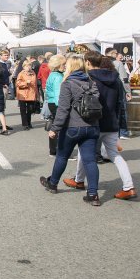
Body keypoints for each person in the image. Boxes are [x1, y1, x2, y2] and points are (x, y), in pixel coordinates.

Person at [64, 54, 135, 200]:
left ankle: (79, 180)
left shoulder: (87, 78)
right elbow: (120, 104)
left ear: (88, 62)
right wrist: (121, 125)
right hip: (112, 123)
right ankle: (129, 187)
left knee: (85, 153)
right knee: (115, 155)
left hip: (94, 122)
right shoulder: (115, 79)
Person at [40, 55, 101, 206]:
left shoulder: (67, 83)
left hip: (72, 126)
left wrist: (55, 128)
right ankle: (93, 194)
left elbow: (63, 109)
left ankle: (53, 183)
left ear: (70, 67)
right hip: (91, 126)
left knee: (62, 156)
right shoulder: (91, 82)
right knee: (90, 160)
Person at [44, 55, 66, 156]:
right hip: (57, 104)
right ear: (58, 65)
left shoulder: (53, 74)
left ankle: (53, 150)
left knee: (55, 126)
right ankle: (59, 150)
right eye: (63, 64)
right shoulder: (57, 76)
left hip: (52, 103)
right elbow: (58, 94)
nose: (65, 66)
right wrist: (62, 107)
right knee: (60, 127)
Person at [16, 60, 39, 130]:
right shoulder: (21, 74)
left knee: (30, 109)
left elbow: (35, 85)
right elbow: (18, 83)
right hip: (23, 94)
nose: (28, 67)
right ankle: (25, 124)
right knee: (23, 110)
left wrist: (36, 94)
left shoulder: (33, 73)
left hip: (31, 93)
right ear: (23, 67)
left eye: (29, 65)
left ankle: (29, 122)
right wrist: (26, 82)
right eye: (26, 66)